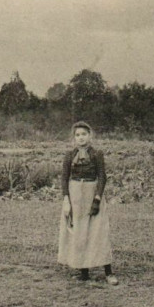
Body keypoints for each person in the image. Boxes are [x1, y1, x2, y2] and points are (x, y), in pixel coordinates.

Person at [58, 121, 118, 285]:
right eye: (77, 135)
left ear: (89, 136)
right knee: (79, 233)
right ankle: (84, 273)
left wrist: (97, 199)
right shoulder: (70, 155)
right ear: (74, 138)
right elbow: (64, 178)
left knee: (99, 232)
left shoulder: (96, 154)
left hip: (92, 193)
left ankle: (109, 272)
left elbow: (102, 177)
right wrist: (66, 200)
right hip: (75, 195)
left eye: (84, 134)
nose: (81, 138)